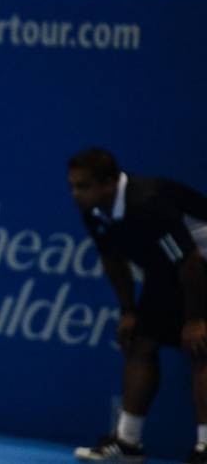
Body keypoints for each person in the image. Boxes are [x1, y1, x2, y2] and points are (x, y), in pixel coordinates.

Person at [68, 148, 207, 464]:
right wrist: (128, 310)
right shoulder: (95, 211)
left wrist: (196, 319)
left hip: (198, 266)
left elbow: (190, 262)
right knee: (141, 343)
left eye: (82, 186)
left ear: (108, 184)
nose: (75, 194)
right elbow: (112, 259)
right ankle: (128, 445)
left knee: (201, 348)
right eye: (73, 186)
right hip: (171, 271)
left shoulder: (148, 205)